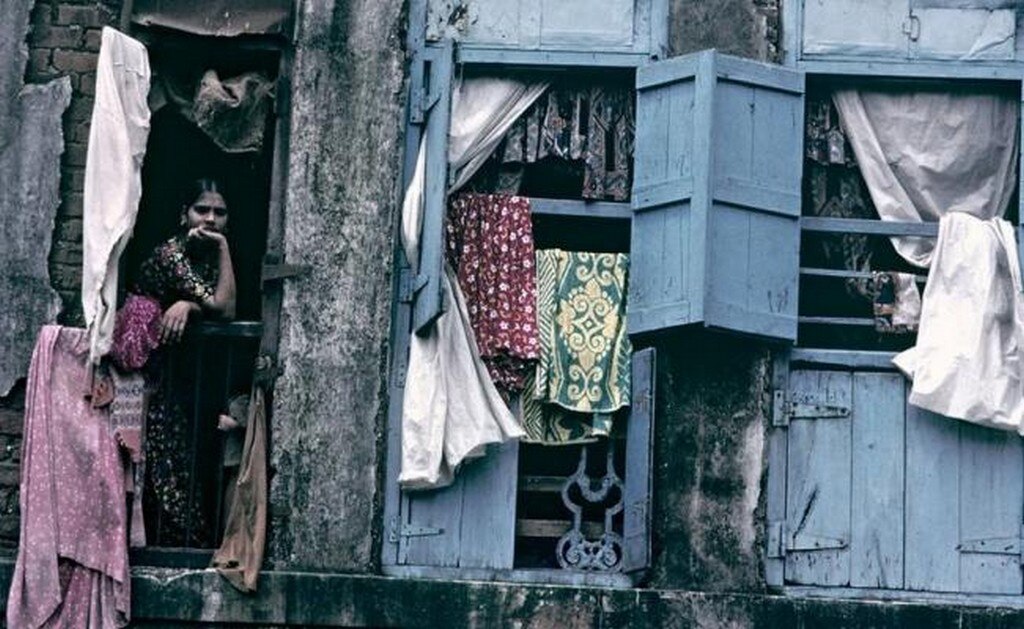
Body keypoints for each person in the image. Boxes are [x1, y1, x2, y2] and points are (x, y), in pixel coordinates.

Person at [111, 177, 237, 547]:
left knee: (188, 461)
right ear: (184, 215)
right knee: (165, 472)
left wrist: (190, 305)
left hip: (180, 378)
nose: (211, 219)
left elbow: (219, 306)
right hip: (147, 379)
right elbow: (226, 308)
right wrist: (199, 304)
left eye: (220, 212)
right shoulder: (172, 255)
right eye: (202, 209)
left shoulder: (210, 255)